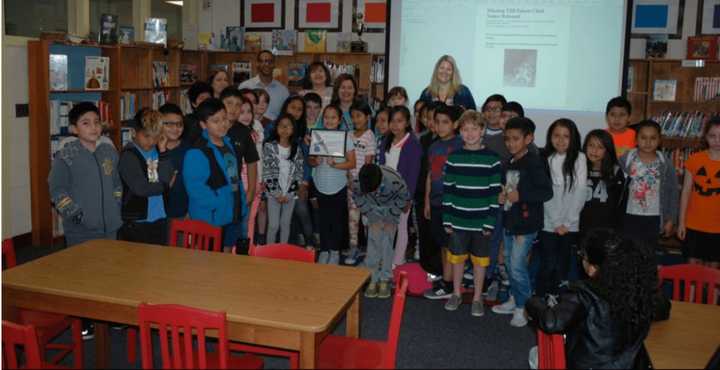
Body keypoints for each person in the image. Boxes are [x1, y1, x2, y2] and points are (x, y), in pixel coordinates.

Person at [526, 228, 671, 369]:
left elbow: (551, 322)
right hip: (629, 365)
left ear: (592, 268)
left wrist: (532, 302)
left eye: (582, 256)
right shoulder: (638, 291)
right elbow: (664, 308)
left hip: (589, 365)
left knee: (535, 355)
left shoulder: (585, 294)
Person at [492, 117, 553, 328]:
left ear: (529, 138)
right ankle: (514, 299)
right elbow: (506, 188)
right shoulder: (508, 162)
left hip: (526, 224)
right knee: (509, 263)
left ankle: (524, 308)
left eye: (516, 139)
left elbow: (546, 192)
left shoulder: (535, 161)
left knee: (517, 266)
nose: (510, 143)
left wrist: (522, 195)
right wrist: (501, 197)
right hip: (510, 220)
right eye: (507, 139)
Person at [441, 110, 502, 316]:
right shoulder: (454, 158)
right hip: (458, 221)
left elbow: (494, 194)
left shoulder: (492, 160)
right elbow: (448, 190)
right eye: (465, 129)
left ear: (482, 130)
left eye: (474, 129)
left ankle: (477, 297)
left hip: (481, 223)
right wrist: (447, 218)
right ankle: (457, 293)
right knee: (457, 260)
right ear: (460, 132)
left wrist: (489, 222)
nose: (470, 133)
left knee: (480, 261)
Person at [49, 102, 122, 247]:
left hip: (111, 227)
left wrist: (115, 206)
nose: (93, 127)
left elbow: (117, 184)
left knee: (110, 267)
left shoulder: (109, 151)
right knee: (83, 268)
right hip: (81, 231)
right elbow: (57, 191)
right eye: (86, 123)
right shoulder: (66, 155)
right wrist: (76, 215)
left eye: (97, 122)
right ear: (74, 129)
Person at [183, 98, 248, 251]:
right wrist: (220, 203)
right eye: (215, 121)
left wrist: (241, 203)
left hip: (233, 213)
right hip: (212, 217)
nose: (222, 124)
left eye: (224, 119)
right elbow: (196, 189)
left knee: (227, 259)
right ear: (203, 125)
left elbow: (234, 178)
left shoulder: (228, 144)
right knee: (210, 265)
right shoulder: (196, 152)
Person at [537, 119, 587, 296]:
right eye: (556, 135)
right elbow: (546, 194)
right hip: (549, 222)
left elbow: (580, 193)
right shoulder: (545, 159)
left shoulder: (580, 158)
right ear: (550, 137)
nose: (561, 140)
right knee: (547, 262)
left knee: (563, 263)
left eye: (566, 136)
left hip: (570, 223)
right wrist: (557, 222)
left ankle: (557, 298)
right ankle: (541, 298)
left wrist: (567, 222)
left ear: (573, 138)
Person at [422, 103, 463, 299]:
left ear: (455, 124)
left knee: (452, 244)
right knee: (442, 244)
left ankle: (449, 284)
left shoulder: (461, 144)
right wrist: (428, 202)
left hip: (453, 204)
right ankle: (447, 280)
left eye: (445, 122)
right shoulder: (433, 146)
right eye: (437, 122)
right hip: (437, 202)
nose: (440, 126)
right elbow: (431, 175)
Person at [307, 105, 356, 264]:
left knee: (336, 221)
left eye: (333, 117)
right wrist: (316, 161)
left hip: (338, 185)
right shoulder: (318, 136)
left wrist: (335, 165)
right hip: (321, 184)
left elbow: (352, 163)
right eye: (326, 117)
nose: (329, 120)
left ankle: (334, 252)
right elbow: (311, 161)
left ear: (339, 119)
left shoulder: (346, 137)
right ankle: (324, 250)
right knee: (322, 220)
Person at [353, 164, 410, 299]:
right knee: (373, 242)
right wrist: (371, 214)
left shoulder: (395, 181)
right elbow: (358, 198)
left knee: (387, 243)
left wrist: (390, 214)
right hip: (372, 208)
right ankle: (372, 277)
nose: (372, 192)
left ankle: (385, 278)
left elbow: (403, 199)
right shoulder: (358, 181)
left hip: (391, 207)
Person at [118, 109, 175, 245]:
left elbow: (167, 176)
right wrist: (165, 186)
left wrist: (163, 151)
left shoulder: (160, 152)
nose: (151, 142)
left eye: (155, 137)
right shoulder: (129, 156)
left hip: (161, 217)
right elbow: (141, 188)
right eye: (146, 136)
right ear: (134, 132)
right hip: (137, 222)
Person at [618, 119, 679, 243]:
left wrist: (671, 219)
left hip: (655, 217)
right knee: (629, 252)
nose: (648, 142)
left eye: (653, 138)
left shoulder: (665, 163)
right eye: (643, 138)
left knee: (649, 253)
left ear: (659, 140)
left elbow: (673, 192)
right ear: (636, 140)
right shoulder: (627, 159)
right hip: (630, 215)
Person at [378, 106, 422, 267]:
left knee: (401, 226)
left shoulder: (412, 143)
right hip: (386, 191)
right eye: (392, 121)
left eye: (399, 121)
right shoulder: (386, 140)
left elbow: (413, 173)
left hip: (402, 193)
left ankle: (397, 260)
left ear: (407, 122)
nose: (395, 125)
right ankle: (385, 256)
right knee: (386, 226)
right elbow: (381, 166)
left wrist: (407, 197)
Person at [678, 117, 720, 267]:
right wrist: (681, 222)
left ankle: (713, 293)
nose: (717, 141)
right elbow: (685, 192)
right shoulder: (695, 160)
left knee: (713, 270)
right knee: (692, 266)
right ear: (705, 137)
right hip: (694, 225)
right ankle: (691, 292)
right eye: (712, 136)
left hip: (717, 227)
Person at [262, 114, 304, 244]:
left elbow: (299, 172)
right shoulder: (269, 147)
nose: (285, 129)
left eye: (288, 126)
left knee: (285, 224)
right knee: (273, 225)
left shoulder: (297, 149)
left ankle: (282, 251)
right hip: (274, 194)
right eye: (281, 126)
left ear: (293, 129)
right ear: (276, 128)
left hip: (290, 194)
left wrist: (290, 193)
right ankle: (269, 252)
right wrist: (277, 193)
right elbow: (267, 171)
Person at [346, 100, 376, 265]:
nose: (356, 120)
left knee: (367, 219)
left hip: (364, 186)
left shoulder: (370, 136)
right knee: (352, 218)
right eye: (353, 117)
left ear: (367, 117)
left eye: (359, 116)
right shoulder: (349, 135)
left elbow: (368, 163)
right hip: (350, 184)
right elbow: (347, 158)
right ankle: (353, 247)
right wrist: (348, 178)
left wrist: (361, 184)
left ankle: (370, 251)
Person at [580, 129, 625, 238]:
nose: (594, 150)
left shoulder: (615, 171)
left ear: (607, 150)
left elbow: (620, 202)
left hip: (606, 227)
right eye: (591, 145)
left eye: (600, 147)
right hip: (581, 224)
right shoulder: (579, 168)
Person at [238, 50, 289, 120]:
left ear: (274, 65)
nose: (266, 64)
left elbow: (286, 117)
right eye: (263, 61)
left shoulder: (283, 91)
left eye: (270, 61)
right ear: (257, 64)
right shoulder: (245, 86)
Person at [158, 103, 190, 219]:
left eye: (179, 124)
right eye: (169, 124)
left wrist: (191, 211)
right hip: (157, 215)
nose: (175, 129)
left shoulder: (190, 151)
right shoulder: (152, 150)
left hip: (184, 213)